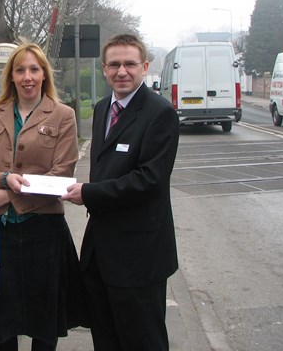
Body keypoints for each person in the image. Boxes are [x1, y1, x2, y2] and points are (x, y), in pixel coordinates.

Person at [62, 33, 180, 351]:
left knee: (143, 341)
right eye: (114, 64)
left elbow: (149, 181)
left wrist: (89, 193)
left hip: (140, 256)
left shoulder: (160, 114)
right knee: (106, 339)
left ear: (144, 66)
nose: (122, 71)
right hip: (101, 253)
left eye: (129, 64)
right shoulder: (102, 109)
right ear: (104, 69)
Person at [0, 41, 86, 351]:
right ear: (11, 76)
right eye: (20, 70)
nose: (27, 77)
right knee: (0, 324)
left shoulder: (63, 115)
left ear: (45, 75)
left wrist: (7, 197)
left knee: (43, 324)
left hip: (43, 232)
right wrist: (5, 177)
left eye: (34, 69)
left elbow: (60, 176)